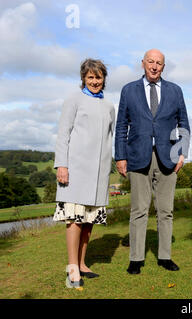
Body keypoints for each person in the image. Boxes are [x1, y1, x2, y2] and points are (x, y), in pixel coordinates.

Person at [115, 49, 190, 274]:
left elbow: (183, 124)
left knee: (166, 210)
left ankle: (164, 257)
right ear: (143, 64)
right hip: (138, 156)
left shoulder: (175, 91)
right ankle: (136, 259)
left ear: (163, 67)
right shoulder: (128, 90)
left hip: (168, 158)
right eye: (151, 62)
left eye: (159, 63)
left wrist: (181, 152)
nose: (154, 66)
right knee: (139, 209)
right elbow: (121, 126)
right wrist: (120, 156)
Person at [53, 59, 115, 289]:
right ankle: (72, 270)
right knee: (75, 219)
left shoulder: (109, 106)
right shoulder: (74, 100)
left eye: (98, 77)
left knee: (89, 220)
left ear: (104, 79)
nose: (95, 81)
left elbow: (109, 138)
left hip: (99, 173)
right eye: (91, 77)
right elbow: (63, 133)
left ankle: (82, 264)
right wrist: (62, 165)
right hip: (76, 169)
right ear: (83, 78)